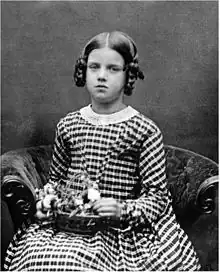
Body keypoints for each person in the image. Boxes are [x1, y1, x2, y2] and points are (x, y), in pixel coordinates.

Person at [4, 31, 201, 271]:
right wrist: (47, 203)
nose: (101, 76)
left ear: (128, 74)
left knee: (78, 264)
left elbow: (157, 198)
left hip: (121, 232)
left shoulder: (144, 130)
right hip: (70, 225)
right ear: (83, 71)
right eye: (94, 67)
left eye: (113, 69)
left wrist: (122, 209)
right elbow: (55, 181)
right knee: (38, 259)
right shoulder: (69, 125)